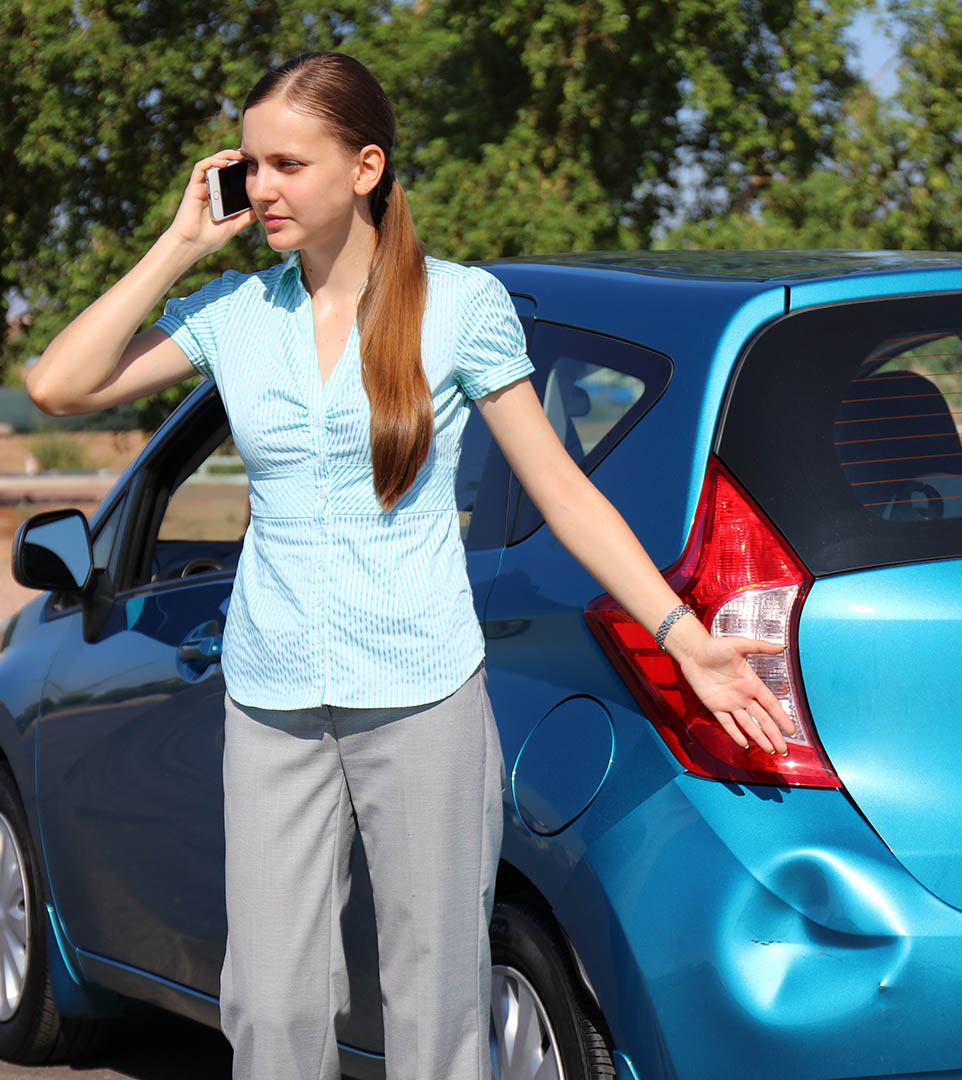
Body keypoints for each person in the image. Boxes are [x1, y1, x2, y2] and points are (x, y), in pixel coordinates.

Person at [28, 51, 795, 1080]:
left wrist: (686, 637)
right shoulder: (234, 315)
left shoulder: (461, 307)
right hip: (270, 702)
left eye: (289, 165)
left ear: (364, 167)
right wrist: (176, 243)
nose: (261, 189)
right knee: (271, 1008)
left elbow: (565, 492)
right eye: (250, 166)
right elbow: (59, 385)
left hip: (423, 698)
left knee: (434, 1005)